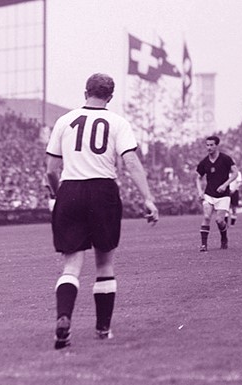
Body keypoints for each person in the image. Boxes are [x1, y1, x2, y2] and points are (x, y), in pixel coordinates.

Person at [44, 73, 158, 350]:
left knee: (71, 265)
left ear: (86, 92)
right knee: (104, 263)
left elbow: (50, 170)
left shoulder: (64, 121)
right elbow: (130, 161)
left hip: (69, 190)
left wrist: (59, 193)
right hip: (102, 191)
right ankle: (103, 329)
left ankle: (63, 318)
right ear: (110, 96)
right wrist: (148, 198)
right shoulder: (117, 122)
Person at [195, 135, 239, 251]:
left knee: (220, 220)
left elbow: (235, 173)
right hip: (209, 194)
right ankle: (204, 245)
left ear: (216, 145)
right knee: (206, 216)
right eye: (207, 145)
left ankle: (224, 238)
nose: (208, 147)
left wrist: (225, 185)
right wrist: (200, 191)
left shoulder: (225, 159)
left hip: (223, 195)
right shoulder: (204, 162)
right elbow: (198, 178)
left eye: (211, 145)